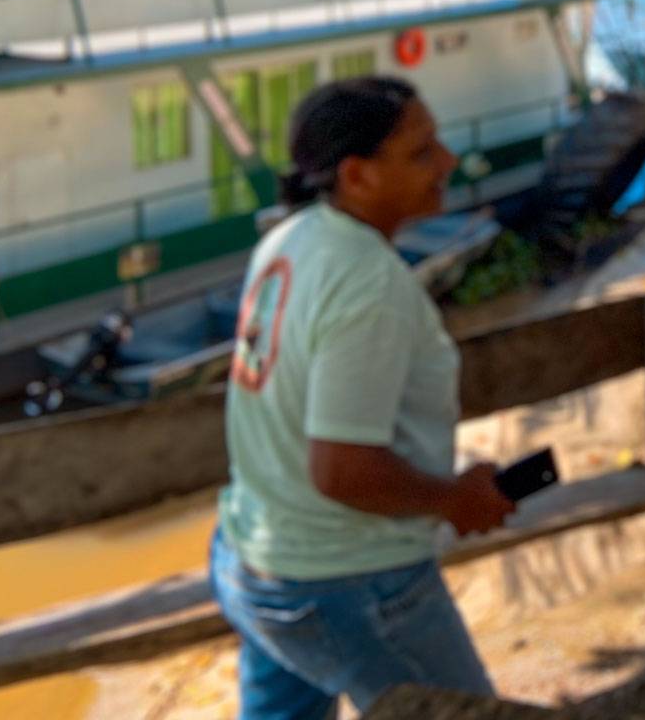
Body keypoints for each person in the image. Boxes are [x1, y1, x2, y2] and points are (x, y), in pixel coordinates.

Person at [209, 76, 513, 719]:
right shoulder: (366, 283)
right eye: (422, 152)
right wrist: (455, 499)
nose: (448, 161)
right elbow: (343, 471)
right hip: (346, 578)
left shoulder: (291, 239)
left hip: (258, 557)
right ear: (357, 175)